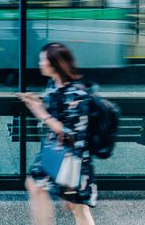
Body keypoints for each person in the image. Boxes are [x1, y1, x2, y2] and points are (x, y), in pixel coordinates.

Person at [18, 42, 96, 225]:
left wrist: (41, 113)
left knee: (79, 211)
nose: (39, 63)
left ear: (55, 64)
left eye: (43, 60)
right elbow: (57, 112)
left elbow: (71, 133)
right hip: (57, 154)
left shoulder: (76, 93)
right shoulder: (53, 84)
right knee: (35, 185)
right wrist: (37, 103)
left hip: (73, 159)